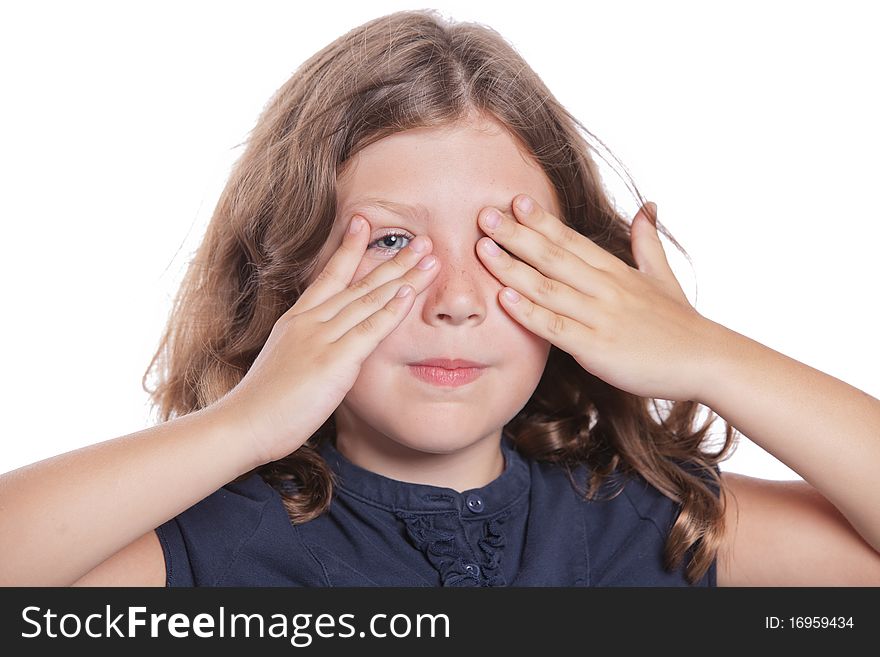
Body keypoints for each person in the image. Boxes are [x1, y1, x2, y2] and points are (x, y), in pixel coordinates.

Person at [2, 8, 879, 588]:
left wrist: (706, 355)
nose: (456, 299)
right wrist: (244, 423)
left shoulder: (647, 526)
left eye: (502, 245)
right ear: (290, 277)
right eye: (390, 243)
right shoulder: (211, 549)